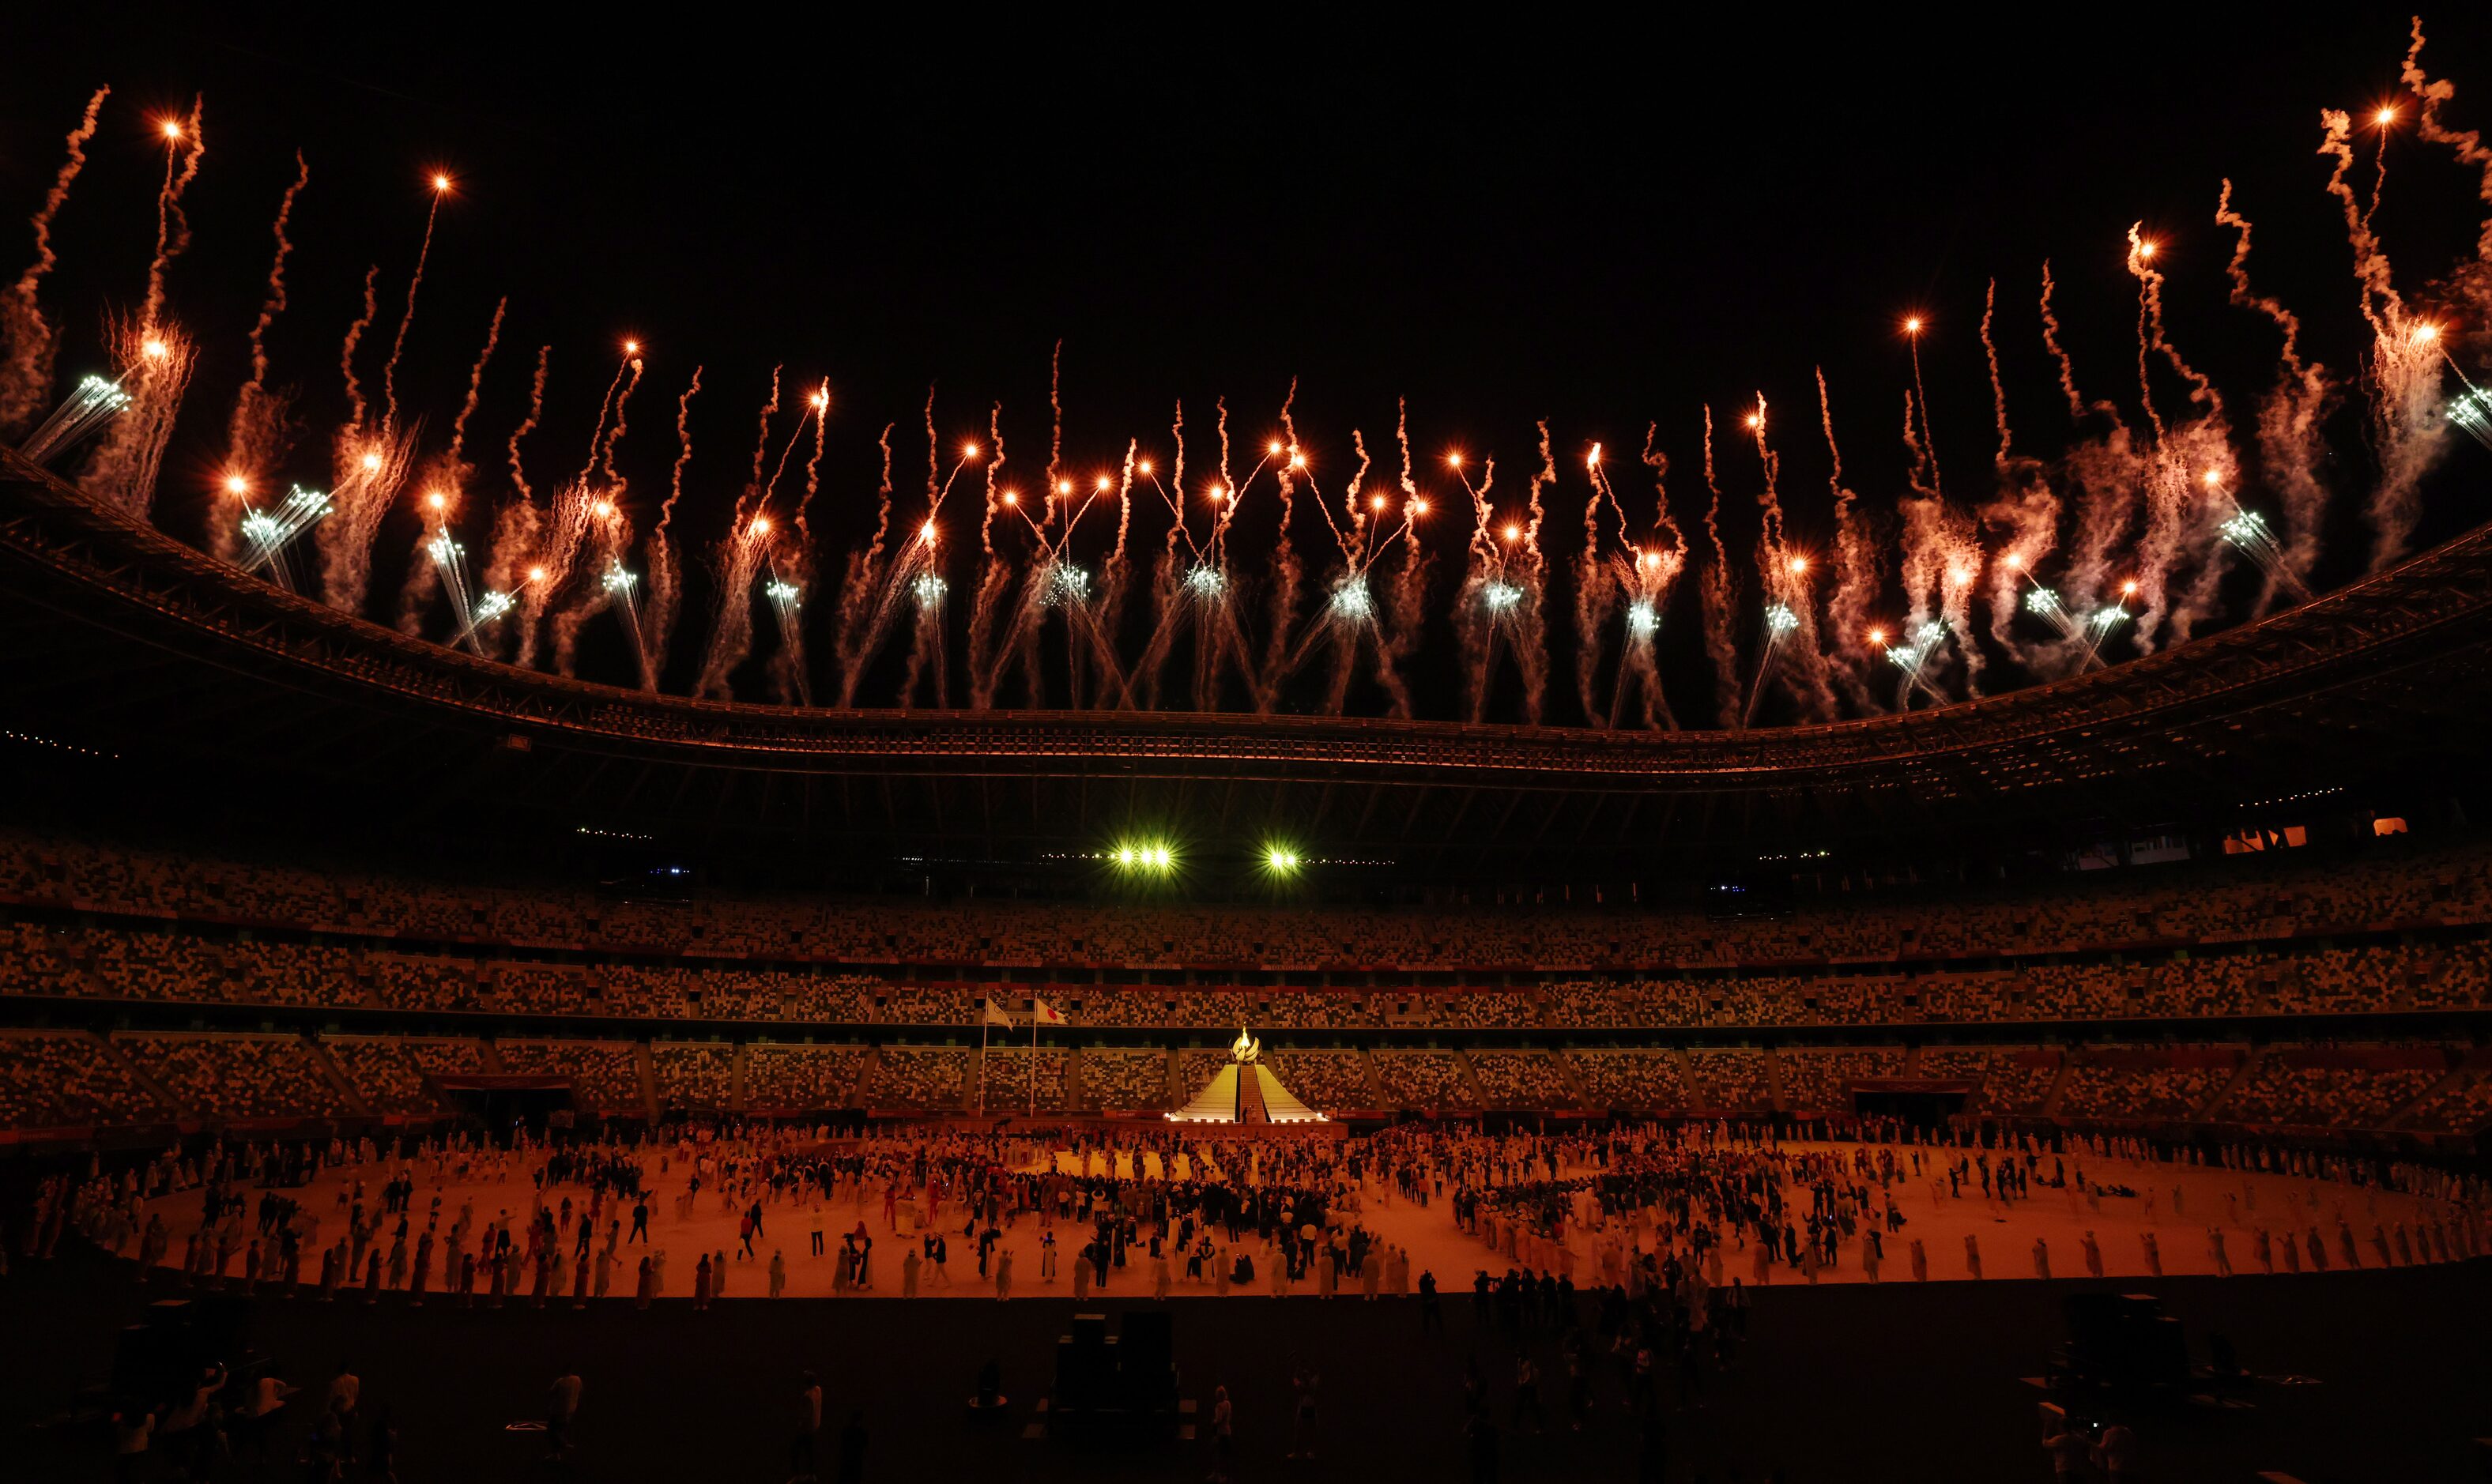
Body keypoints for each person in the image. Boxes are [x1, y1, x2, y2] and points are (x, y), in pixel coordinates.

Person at [793, 1370, 822, 1477]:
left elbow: (805, 1415)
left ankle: (797, 1475)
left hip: (806, 1430)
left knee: (796, 1451)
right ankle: (811, 1474)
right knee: (810, 1453)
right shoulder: (818, 1390)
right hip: (815, 1427)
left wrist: (799, 1425)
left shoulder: (807, 1396)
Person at [548, 1371, 582, 1457]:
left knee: (552, 1430)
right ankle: (556, 1453)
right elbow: (581, 1390)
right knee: (560, 1430)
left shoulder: (560, 1381)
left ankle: (563, 1444)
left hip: (559, 1410)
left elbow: (551, 1393)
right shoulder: (577, 1379)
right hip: (571, 1410)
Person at [835, 1408, 868, 1484]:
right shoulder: (862, 1433)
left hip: (848, 1462)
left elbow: (842, 1446)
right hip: (855, 1463)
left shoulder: (847, 1432)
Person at [1211, 1383, 1235, 1454]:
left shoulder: (1219, 1406)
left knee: (1219, 1453)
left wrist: (1213, 1422)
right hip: (1228, 1431)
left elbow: (1219, 1420)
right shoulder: (1228, 1404)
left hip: (1221, 1433)